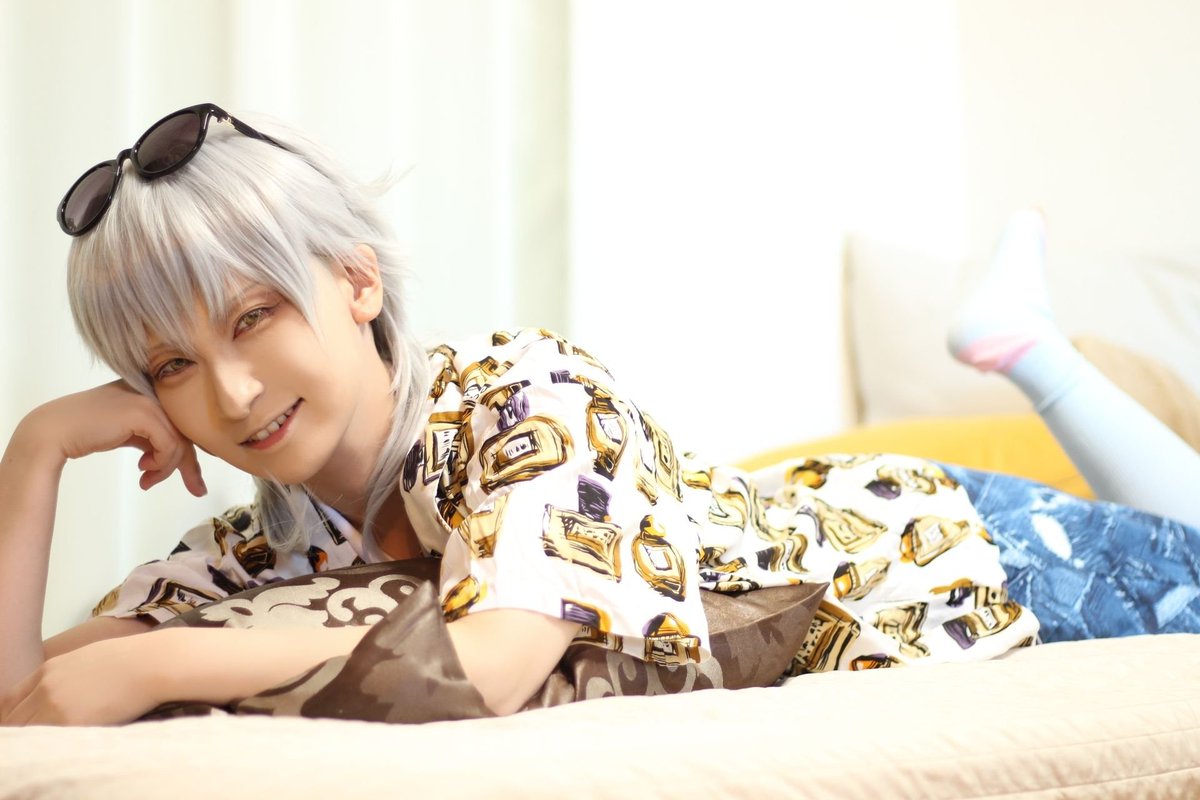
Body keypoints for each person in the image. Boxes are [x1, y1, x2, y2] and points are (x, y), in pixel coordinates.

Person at [1, 104, 1196, 726]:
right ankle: (1026, 339)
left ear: (357, 281)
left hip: (954, 557)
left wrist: (160, 661)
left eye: (254, 315)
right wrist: (37, 450)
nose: (230, 392)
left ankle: (1031, 349)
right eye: (171, 364)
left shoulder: (528, 392)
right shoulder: (258, 548)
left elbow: (491, 662)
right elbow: (22, 696)